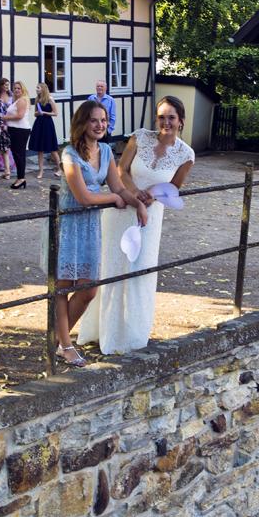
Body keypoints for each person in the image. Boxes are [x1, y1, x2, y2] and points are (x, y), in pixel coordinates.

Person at [79, 96, 195, 354]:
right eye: (161, 116)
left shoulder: (186, 154)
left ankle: (130, 335)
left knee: (139, 268)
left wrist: (153, 195)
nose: (165, 122)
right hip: (122, 209)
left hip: (150, 218)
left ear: (181, 121)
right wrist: (136, 195)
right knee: (112, 265)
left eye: (171, 117)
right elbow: (121, 171)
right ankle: (101, 331)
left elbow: (175, 186)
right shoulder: (139, 137)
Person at [54, 100, 147, 366]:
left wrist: (137, 203)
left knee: (89, 289)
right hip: (69, 225)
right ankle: (66, 344)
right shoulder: (69, 154)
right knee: (62, 288)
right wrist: (112, 199)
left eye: (104, 120)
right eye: (94, 120)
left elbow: (118, 187)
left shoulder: (106, 151)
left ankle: (58, 338)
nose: (100, 125)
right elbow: (83, 197)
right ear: (83, 123)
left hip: (91, 227)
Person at [4, 80, 33, 189]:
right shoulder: (17, 101)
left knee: (19, 155)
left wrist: (4, 117)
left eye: (18, 88)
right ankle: (20, 177)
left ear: (22, 90)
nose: (16, 90)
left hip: (20, 130)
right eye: (15, 88)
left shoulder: (22, 101)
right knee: (17, 155)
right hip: (15, 130)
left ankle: (21, 178)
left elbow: (20, 116)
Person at [30, 83, 61, 178]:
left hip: (47, 124)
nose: (36, 89)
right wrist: (38, 113)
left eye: (38, 88)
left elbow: (55, 113)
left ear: (43, 89)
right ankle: (41, 171)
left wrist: (44, 112)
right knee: (40, 149)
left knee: (52, 148)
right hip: (39, 123)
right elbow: (35, 114)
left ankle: (60, 168)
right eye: (36, 88)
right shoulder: (37, 99)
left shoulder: (50, 99)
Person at [0, 78, 13, 180]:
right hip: (0, 122)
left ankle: (6, 169)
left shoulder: (10, 95)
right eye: (5, 85)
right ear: (1, 86)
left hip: (6, 121)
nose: (7, 87)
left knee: (4, 147)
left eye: (8, 85)